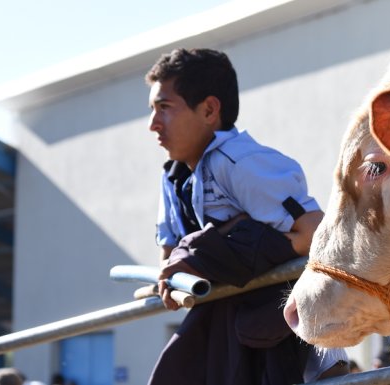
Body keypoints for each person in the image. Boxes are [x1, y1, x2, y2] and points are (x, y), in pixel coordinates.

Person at [145, 48, 348, 385]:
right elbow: (169, 258)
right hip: (224, 318)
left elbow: (315, 234)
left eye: (164, 108)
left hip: (273, 318)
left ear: (209, 110)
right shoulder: (174, 180)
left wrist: (230, 244)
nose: (153, 124)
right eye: (152, 110)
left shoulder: (239, 161)